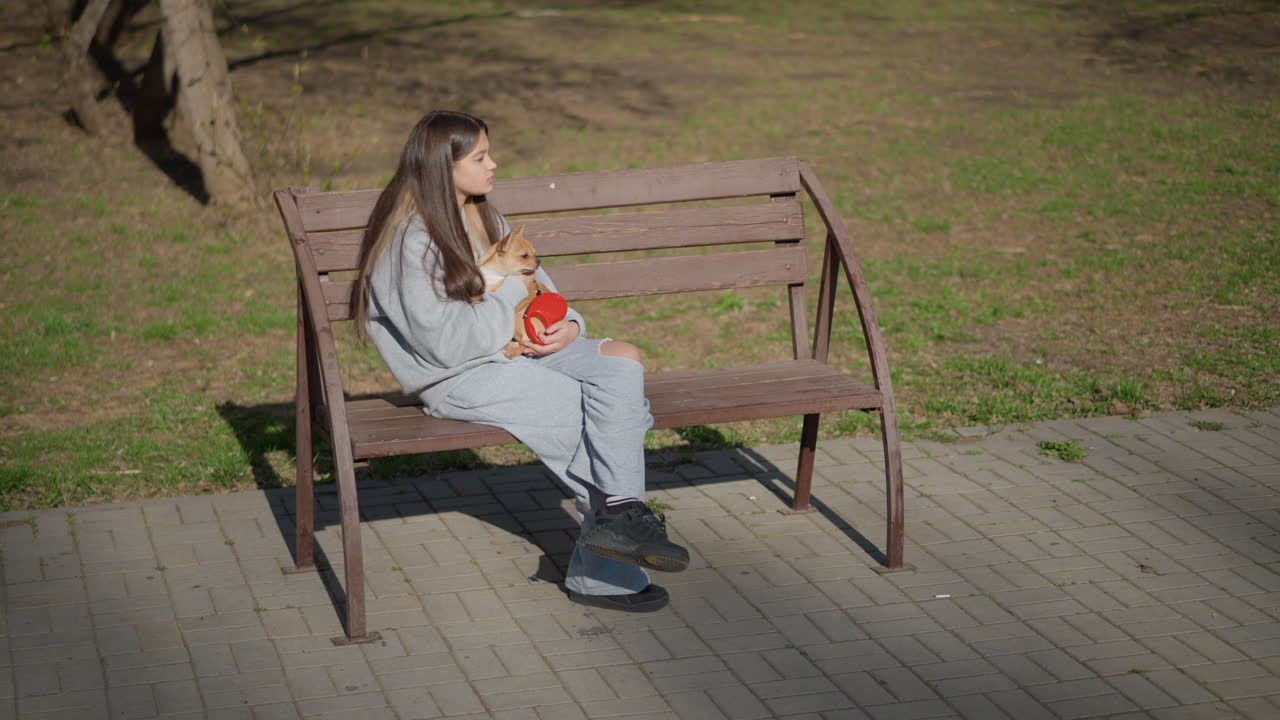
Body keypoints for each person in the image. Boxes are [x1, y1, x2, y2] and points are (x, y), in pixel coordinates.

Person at [351, 110, 688, 613]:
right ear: (443, 166)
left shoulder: (486, 219)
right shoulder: (410, 241)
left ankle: (620, 514)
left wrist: (566, 325)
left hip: (520, 350)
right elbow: (444, 344)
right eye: (480, 157)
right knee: (602, 413)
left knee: (621, 363)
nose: (493, 165)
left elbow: (541, 289)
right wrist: (511, 297)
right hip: (460, 374)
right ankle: (606, 572)